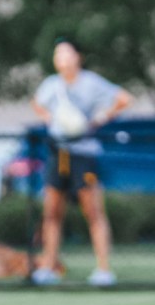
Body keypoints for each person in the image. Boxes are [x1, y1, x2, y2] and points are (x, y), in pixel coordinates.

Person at [29, 38, 132, 287]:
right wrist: (50, 118)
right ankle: (50, 266)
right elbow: (36, 104)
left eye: (66, 53)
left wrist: (100, 118)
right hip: (57, 153)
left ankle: (103, 269)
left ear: (78, 57)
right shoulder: (51, 85)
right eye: (57, 54)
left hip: (83, 154)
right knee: (51, 212)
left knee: (93, 211)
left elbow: (124, 98)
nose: (61, 59)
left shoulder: (91, 82)